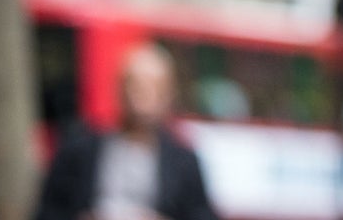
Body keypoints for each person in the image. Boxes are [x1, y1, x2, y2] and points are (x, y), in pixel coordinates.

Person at [35, 44, 220, 220]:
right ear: (120, 89)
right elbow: (48, 212)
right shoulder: (79, 152)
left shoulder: (184, 162)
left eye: (154, 88)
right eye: (135, 86)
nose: (143, 97)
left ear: (169, 95)